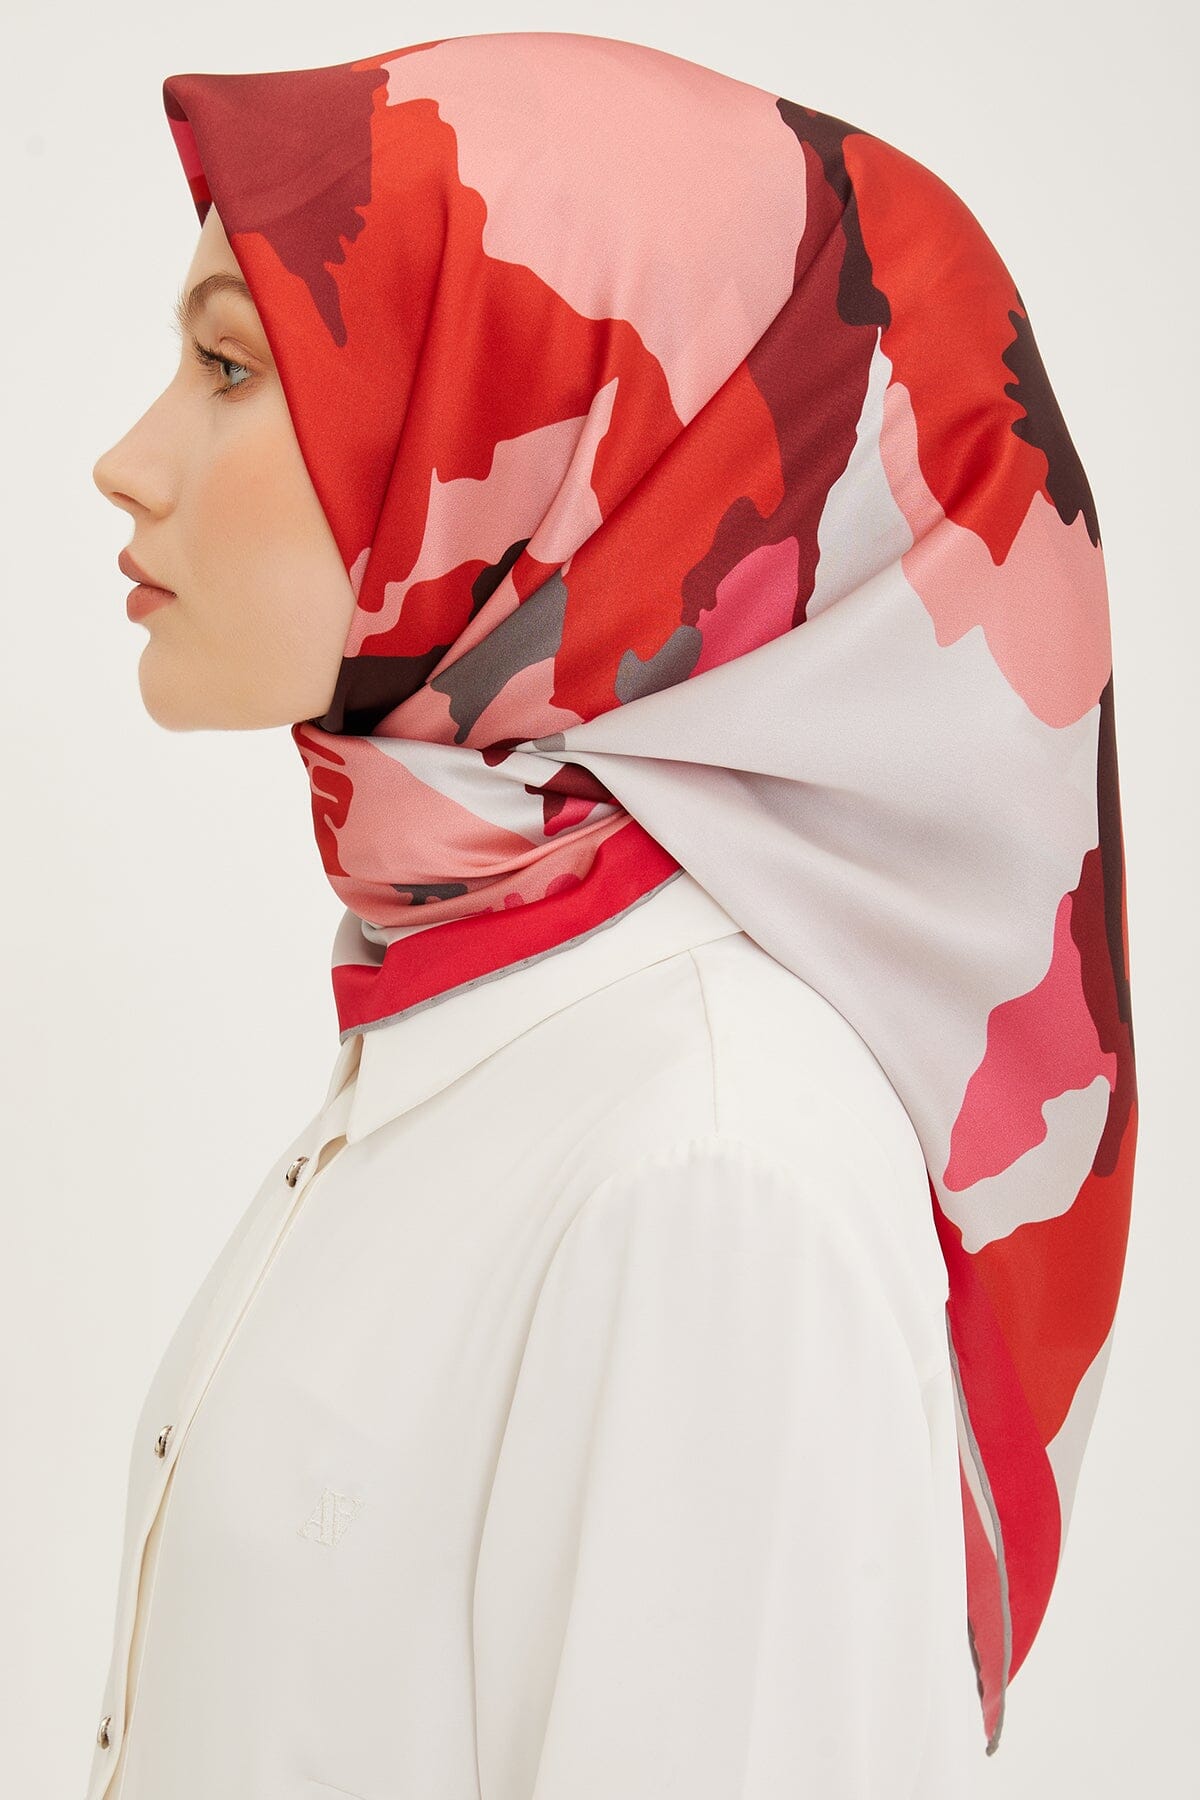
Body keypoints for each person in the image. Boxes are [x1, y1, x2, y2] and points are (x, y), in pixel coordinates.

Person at [88, 29, 1138, 1799]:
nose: (129, 462)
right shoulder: (485, 1018)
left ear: (538, 442)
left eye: (227, 366)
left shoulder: (710, 1167)